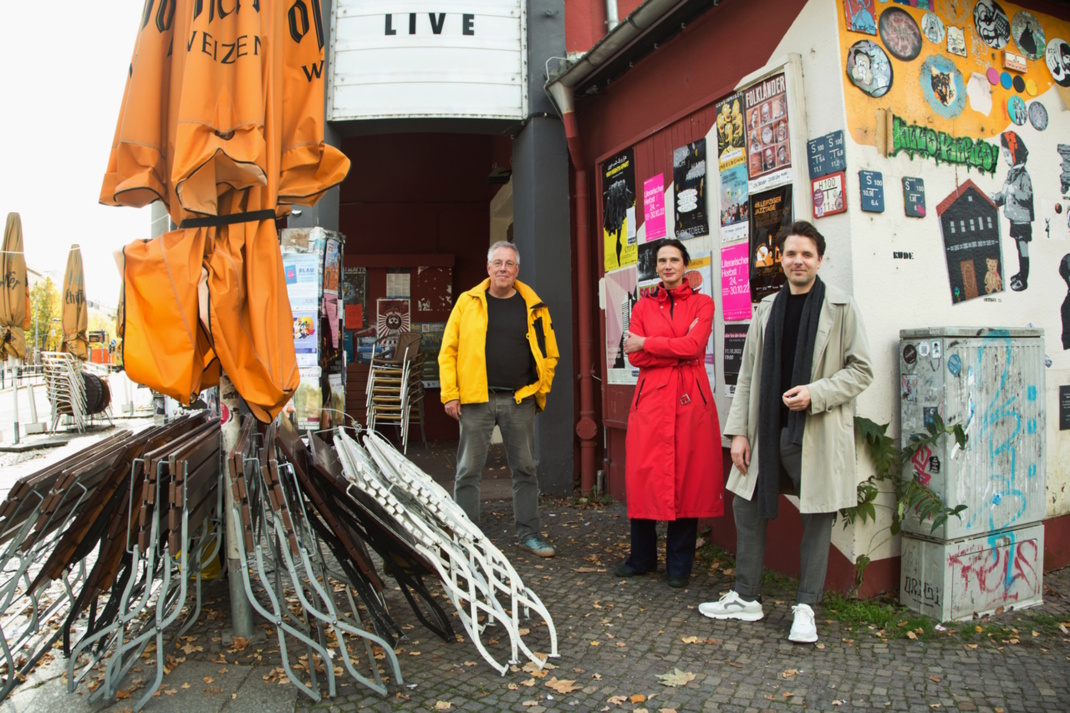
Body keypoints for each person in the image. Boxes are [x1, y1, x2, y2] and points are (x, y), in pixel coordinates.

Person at [699, 221, 873, 644]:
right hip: (765, 432)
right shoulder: (766, 309)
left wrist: (817, 393)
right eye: (791, 253)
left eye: (807, 254)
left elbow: (862, 370)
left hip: (815, 433)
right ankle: (746, 597)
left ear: (819, 259)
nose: (798, 261)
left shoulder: (842, 307)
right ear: (780, 258)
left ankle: (806, 607)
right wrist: (738, 432)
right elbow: (748, 375)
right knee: (746, 504)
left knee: (817, 517)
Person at [614, 238, 723, 588]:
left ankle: (679, 566)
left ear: (685, 264)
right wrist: (672, 347)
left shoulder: (703, 303)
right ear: (656, 267)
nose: (667, 266)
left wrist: (648, 342)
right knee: (644, 477)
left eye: (674, 259)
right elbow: (634, 356)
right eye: (661, 260)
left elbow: (694, 347)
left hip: (690, 400)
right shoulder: (642, 307)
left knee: (688, 480)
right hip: (651, 402)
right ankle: (642, 558)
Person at [438, 241, 559, 557]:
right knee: (468, 471)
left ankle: (529, 534)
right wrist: (451, 394)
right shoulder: (467, 302)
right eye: (498, 263)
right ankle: (468, 540)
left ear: (517, 270)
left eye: (509, 264)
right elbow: (448, 350)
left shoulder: (532, 305)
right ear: (488, 267)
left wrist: (540, 388)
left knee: (525, 470)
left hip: (519, 399)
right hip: (476, 399)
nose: (503, 268)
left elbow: (549, 353)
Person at [990, 131, 1033, 291]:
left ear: (1016, 153)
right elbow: (1004, 195)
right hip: (1015, 219)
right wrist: (996, 197)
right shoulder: (1012, 174)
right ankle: (1021, 273)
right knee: (1018, 247)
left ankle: (1024, 278)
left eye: (1008, 155)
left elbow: (1027, 197)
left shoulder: (1023, 176)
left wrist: (1013, 190)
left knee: (1023, 248)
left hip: (1022, 220)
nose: (1006, 159)